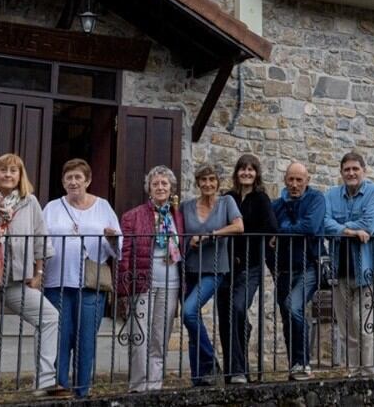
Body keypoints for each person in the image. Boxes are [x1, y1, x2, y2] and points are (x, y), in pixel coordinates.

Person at [0, 153, 65, 400]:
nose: (8, 175)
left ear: (20, 176)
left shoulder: (29, 201)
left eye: (13, 171)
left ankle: (45, 382)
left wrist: (38, 273)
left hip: (16, 277)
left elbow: (40, 237)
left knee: (49, 317)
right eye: (3, 170)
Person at [42, 159, 121, 398]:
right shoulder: (52, 207)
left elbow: (118, 247)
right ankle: (59, 387)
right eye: (69, 177)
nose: (74, 182)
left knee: (86, 339)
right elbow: (40, 240)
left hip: (90, 284)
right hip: (56, 282)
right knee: (60, 337)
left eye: (78, 177)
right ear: (63, 182)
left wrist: (112, 238)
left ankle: (82, 390)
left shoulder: (103, 207)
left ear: (88, 181)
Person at [116, 166, 184, 393]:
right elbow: (124, 253)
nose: (160, 187)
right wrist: (123, 287)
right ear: (149, 189)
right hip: (142, 283)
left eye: (164, 183)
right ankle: (138, 386)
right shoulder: (133, 216)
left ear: (171, 188)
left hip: (171, 284)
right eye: (156, 184)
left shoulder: (177, 216)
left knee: (160, 337)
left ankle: (154, 386)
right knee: (140, 337)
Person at [323, 151, 374, 376]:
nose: (351, 173)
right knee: (346, 325)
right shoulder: (331, 195)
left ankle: (368, 371)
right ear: (341, 172)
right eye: (347, 169)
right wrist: (351, 231)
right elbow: (324, 223)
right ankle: (352, 370)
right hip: (340, 269)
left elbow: (369, 223)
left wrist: (340, 228)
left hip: (369, 269)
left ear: (363, 171)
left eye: (355, 169)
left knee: (365, 324)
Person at [217, 154, 279, 384]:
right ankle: (233, 372)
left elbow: (271, 227)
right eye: (242, 169)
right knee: (226, 318)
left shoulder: (261, 198)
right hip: (226, 267)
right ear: (237, 173)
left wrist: (244, 233)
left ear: (256, 174)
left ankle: (239, 370)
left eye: (251, 169)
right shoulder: (228, 198)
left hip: (250, 267)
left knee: (237, 308)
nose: (246, 173)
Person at [179, 164, 243, 386]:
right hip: (189, 269)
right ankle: (200, 379)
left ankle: (209, 361)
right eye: (203, 180)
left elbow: (238, 227)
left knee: (188, 312)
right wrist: (187, 242)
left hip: (215, 269)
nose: (208, 184)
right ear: (198, 183)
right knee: (192, 323)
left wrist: (210, 235)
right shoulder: (186, 206)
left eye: (212, 180)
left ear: (218, 182)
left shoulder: (226, 202)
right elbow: (178, 233)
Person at [271, 161, 326, 381]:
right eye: (291, 179)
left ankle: (303, 363)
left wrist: (282, 230)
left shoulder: (316, 199)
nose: (294, 184)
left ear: (307, 181)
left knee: (293, 307)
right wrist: (273, 268)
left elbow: (310, 227)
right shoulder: (277, 205)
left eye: (299, 180)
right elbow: (269, 233)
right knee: (288, 317)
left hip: (309, 266)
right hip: (283, 270)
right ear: (285, 180)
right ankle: (295, 365)